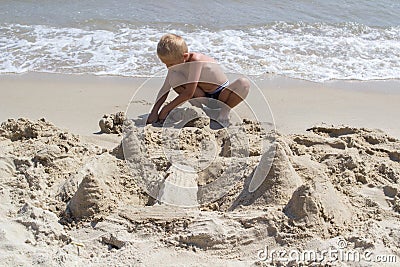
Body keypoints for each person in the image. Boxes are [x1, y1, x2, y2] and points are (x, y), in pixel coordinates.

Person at [146, 33, 250, 125]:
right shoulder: (175, 66)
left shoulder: (196, 61)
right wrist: (154, 111)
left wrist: (165, 110)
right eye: (166, 64)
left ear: (185, 57)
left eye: (171, 64)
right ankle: (201, 110)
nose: (168, 67)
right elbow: (165, 89)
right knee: (174, 78)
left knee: (243, 83)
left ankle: (225, 110)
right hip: (203, 97)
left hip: (222, 94)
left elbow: (189, 93)